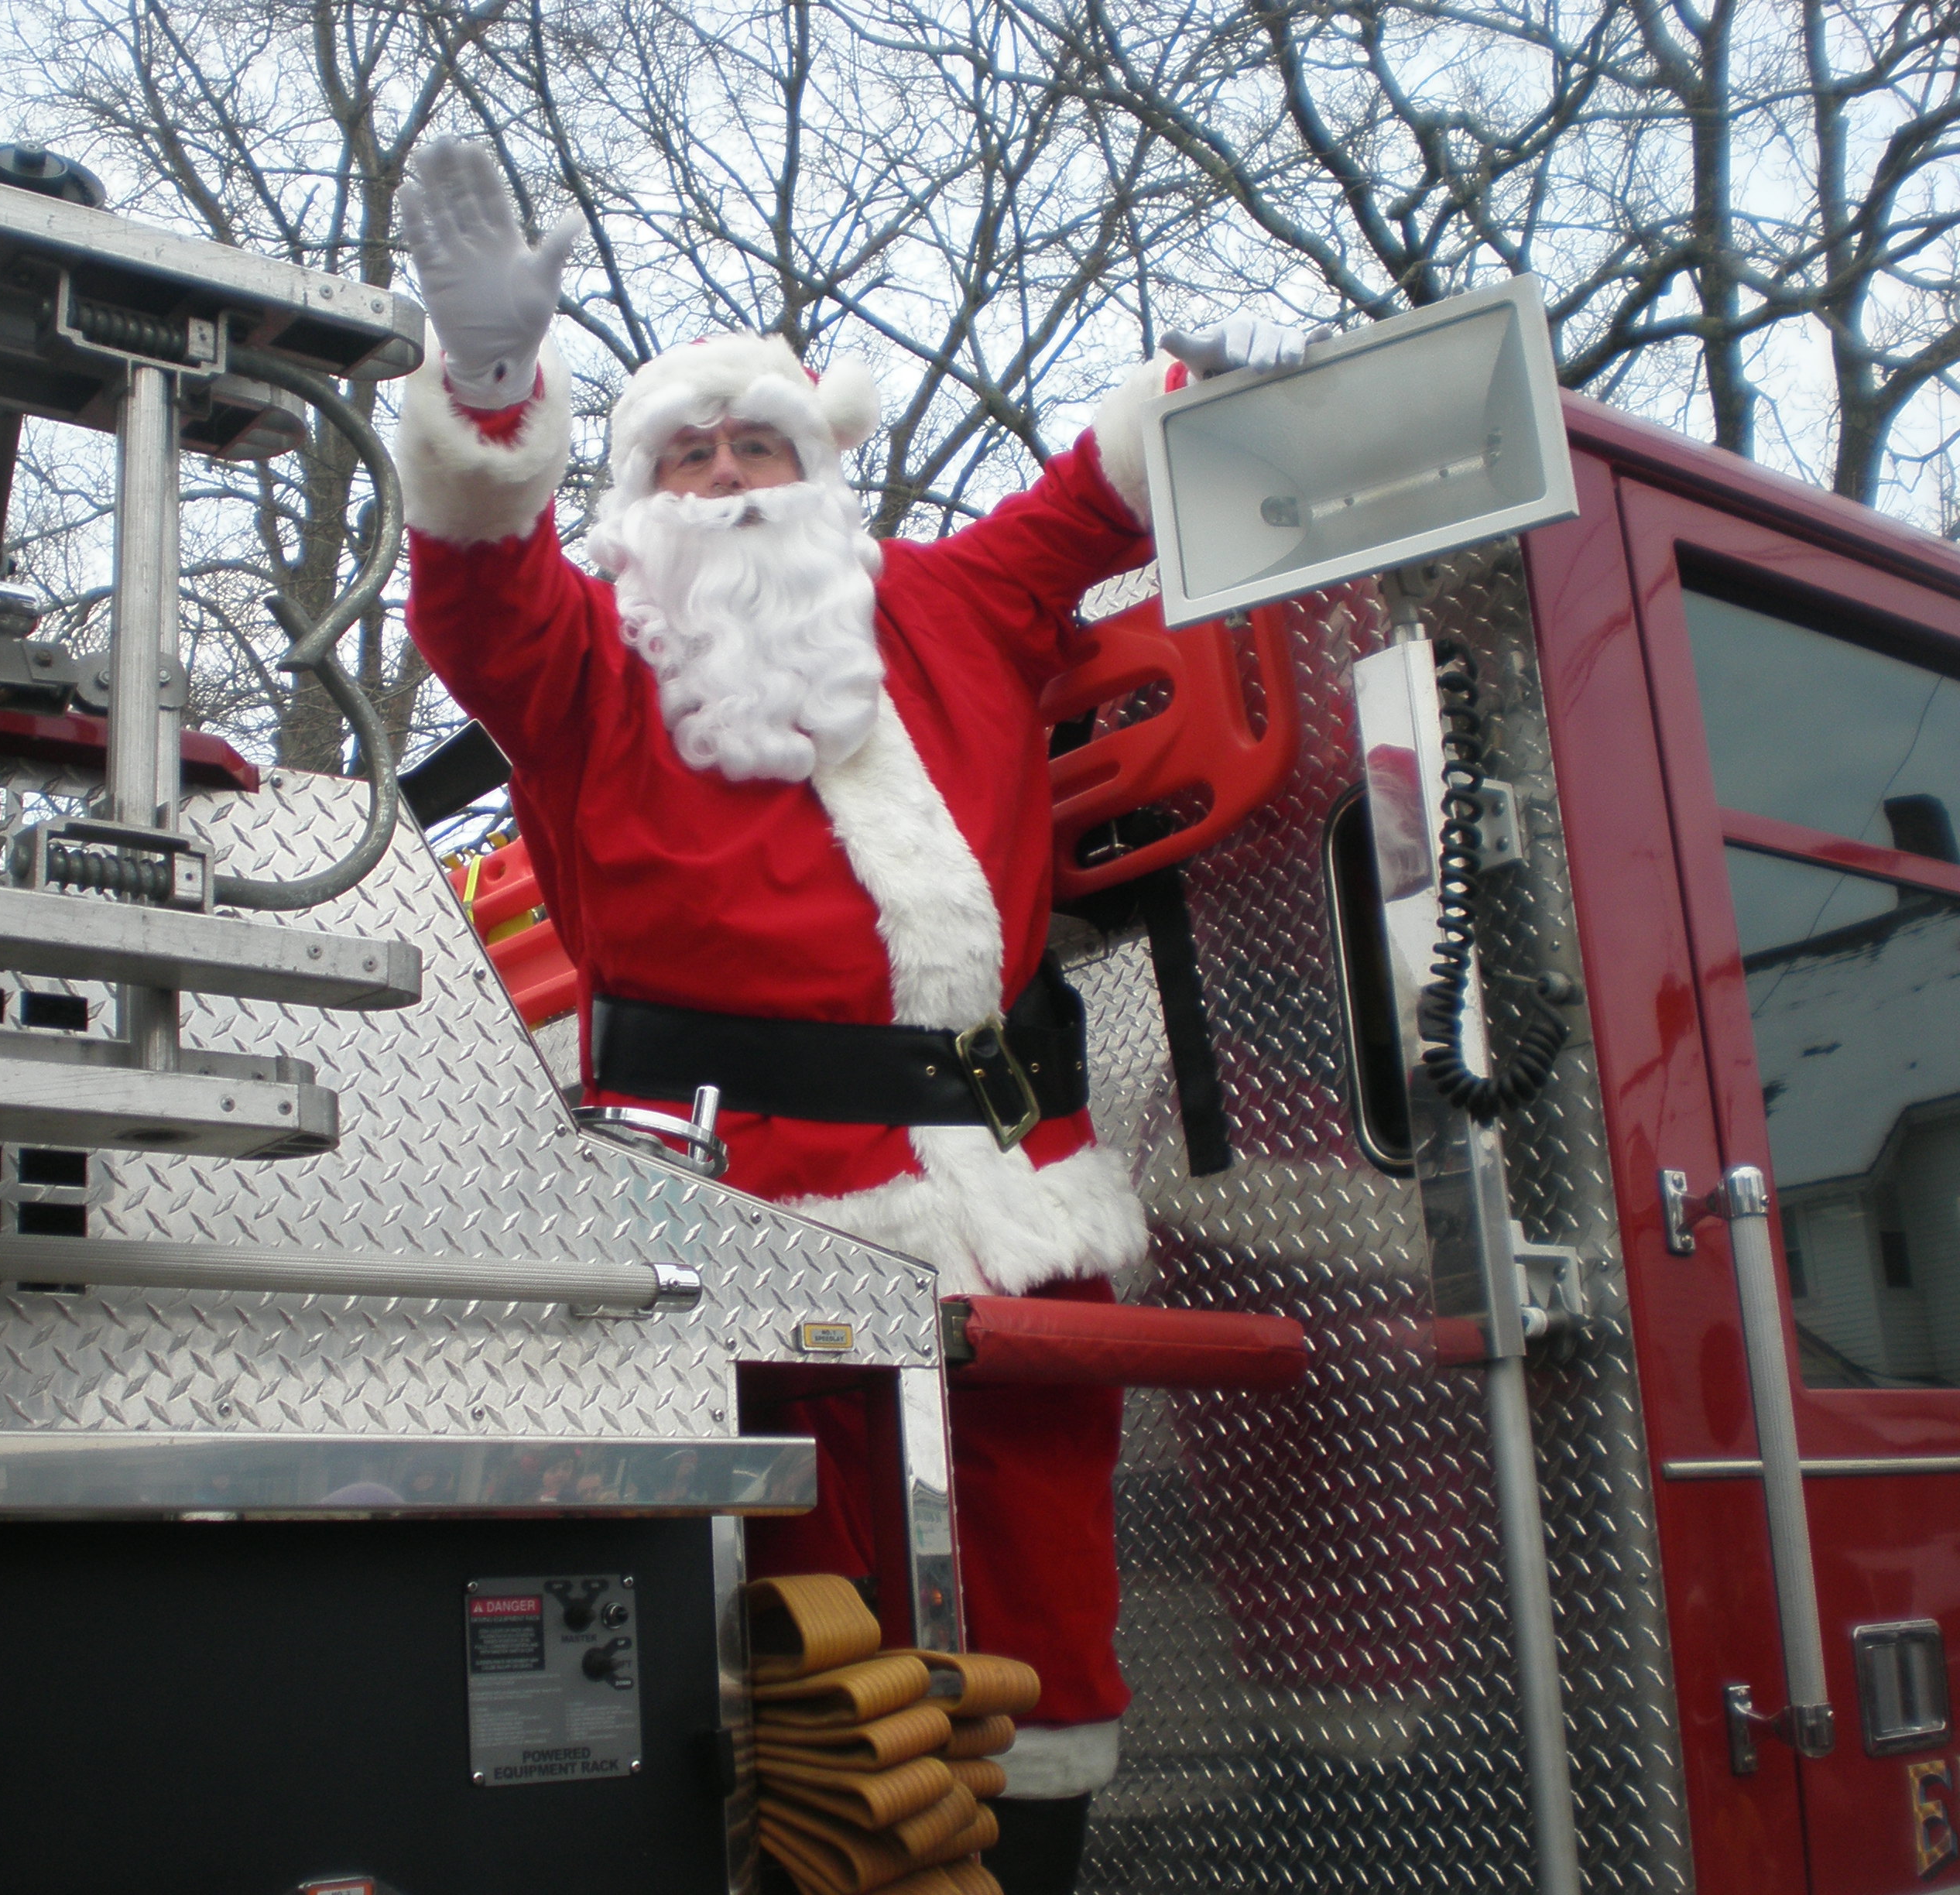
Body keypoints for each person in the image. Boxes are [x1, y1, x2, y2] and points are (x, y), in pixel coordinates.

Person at [393, 139, 1312, 1895]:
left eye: (760, 446)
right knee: (803, 1666)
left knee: (1047, 1631)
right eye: (688, 453)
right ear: (639, 497)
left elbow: (1089, 502)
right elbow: (478, 593)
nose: (729, 480)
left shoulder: (955, 608)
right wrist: (494, 397)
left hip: (1025, 1211)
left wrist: (1191, 396)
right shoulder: (585, 658)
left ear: (821, 473)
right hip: (749, 1224)